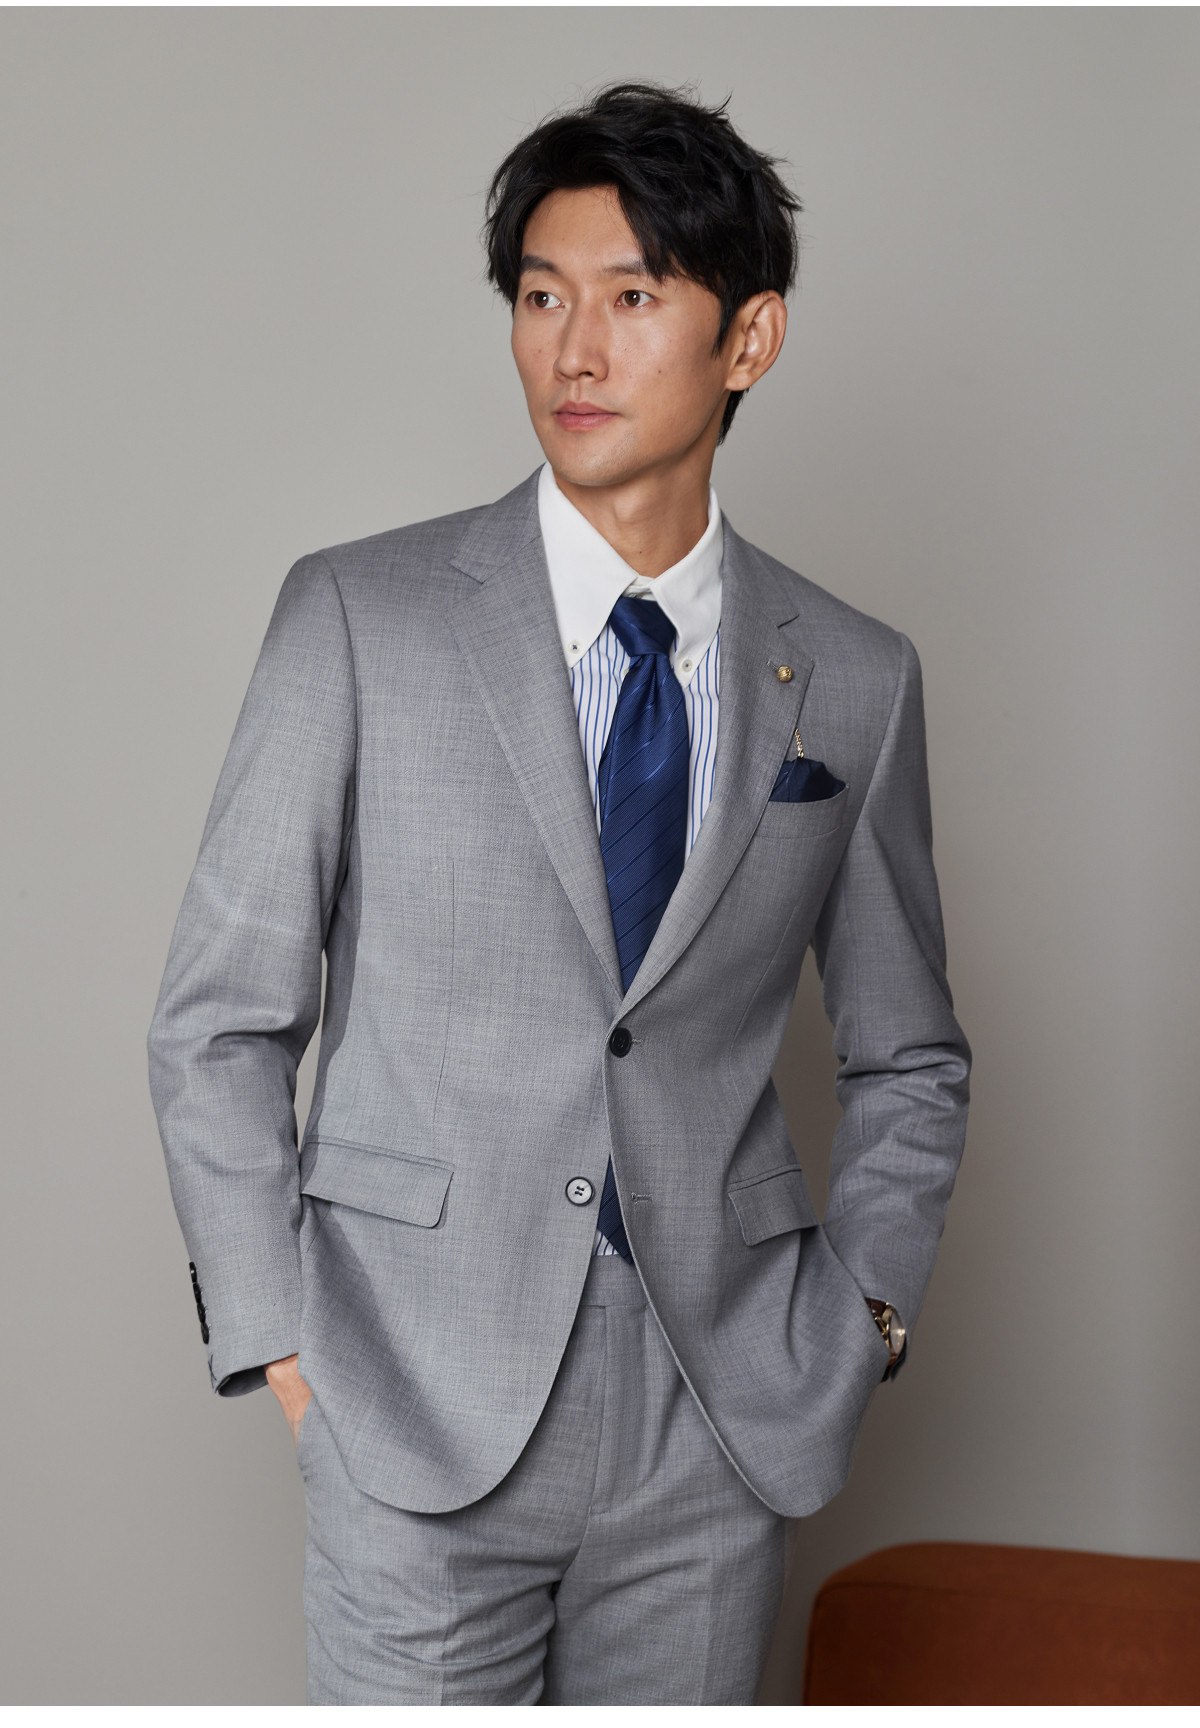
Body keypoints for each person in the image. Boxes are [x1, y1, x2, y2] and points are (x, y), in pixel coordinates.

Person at [148, 80, 971, 1706]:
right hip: (412, 1405)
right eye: (541, 298)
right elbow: (219, 1022)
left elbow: (911, 1055)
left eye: (633, 298)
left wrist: (861, 1320)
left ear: (749, 339)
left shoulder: (856, 678)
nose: (573, 352)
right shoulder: (361, 619)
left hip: (716, 1418)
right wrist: (287, 1353)